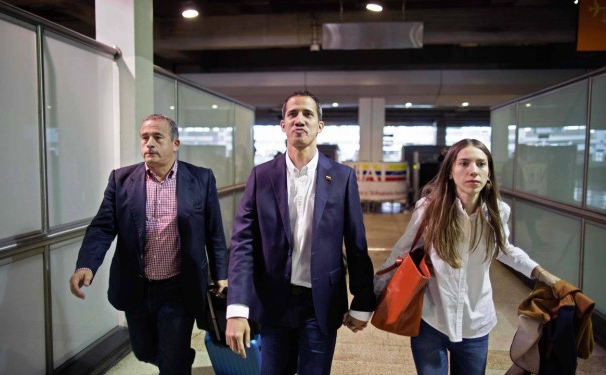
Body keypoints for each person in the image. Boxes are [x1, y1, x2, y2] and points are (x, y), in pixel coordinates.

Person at [373, 139, 559, 375]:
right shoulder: (429, 208)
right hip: (430, 321)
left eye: (481, 164)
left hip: (476, 324)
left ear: (489, 173)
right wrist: (369, 300)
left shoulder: (497, 212)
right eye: (464, 163)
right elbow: (401, 253)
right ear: (450, 172)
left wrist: (541, 273)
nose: (473, 170)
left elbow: (505, 249)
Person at [225, 90, 376, 374]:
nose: (299, 120)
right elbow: (243, 244)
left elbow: (356, 244)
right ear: (283, 125)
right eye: (292, 114)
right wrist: (236, 308)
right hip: (273, 301)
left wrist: (362, 301)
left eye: (308, 114)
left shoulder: (342, 177)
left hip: (320, 302)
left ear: (320, 125)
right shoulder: (262, 176)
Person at [69, 114, 228, 374]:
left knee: (172, 360)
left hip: (179, 287)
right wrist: (86, 264)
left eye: (157, 137)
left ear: (175, 143)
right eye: (145, 138)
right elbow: (102, 227)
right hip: (137, 286)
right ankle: (176, 361)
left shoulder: (201, 179)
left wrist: (221, 274)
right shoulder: (121, 180)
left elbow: (214, 232)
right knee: (143, 351)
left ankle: (175, 363)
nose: (149, 144)